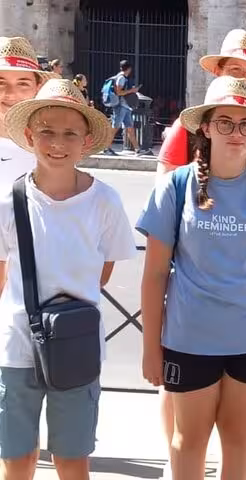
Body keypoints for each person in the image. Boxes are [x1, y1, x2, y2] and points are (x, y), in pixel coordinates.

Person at [137, 76, 246, 480]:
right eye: (224, 122)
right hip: (190, 338)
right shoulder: (175, 186)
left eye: (245, 124)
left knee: (238, 435)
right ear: (205, 128)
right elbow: (155, 274)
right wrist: (150, 348)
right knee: (189, 439)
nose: (236, 132)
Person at [0, 78, 135, 480]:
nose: (57, 143)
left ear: (86, 140)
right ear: (29, 136)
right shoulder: (10, 201)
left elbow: (104, 268)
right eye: (47, 132)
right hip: (16, 347)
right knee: (17, 457)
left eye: (69, 134)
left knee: (72, 459)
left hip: (76, 347)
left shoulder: (105, 200)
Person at [156, 29, 246, 176]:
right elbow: (164, 189)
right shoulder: (186, 129)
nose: (243, 79)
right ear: (218, 71)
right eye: (235, 69)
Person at [0, 37, 51, 193]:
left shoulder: (53, 149)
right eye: (0, 83)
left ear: (38, 87)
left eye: (23, 84)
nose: (11, 94)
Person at [103, 60, 144, 156]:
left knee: (130, 128)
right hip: (120, 106)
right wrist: (132, 90)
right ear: (129, 69)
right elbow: (119, 92)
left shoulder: (121, 77)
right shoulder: (121, 78)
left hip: (125, 107)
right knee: (115, 128)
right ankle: (106, 148)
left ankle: (137, 149)